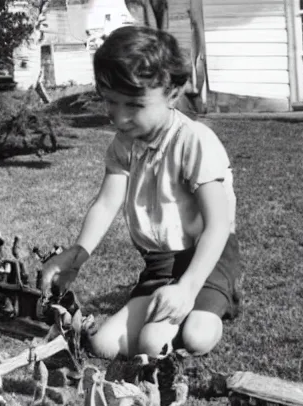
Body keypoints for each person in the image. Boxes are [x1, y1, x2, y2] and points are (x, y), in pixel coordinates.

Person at [39, 25, 240, 360]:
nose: (120, 116)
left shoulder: (194, 141)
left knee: (187, 337)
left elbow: (218, 226)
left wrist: (188, 288)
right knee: (104, 345)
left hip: (207, 258)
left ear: (173, 92)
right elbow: (105, 204)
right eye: (111, 102)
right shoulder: (124, 145)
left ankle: (212, 304)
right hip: (160, 266)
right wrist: (76, 256)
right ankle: (169, 309)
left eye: (133, 104)